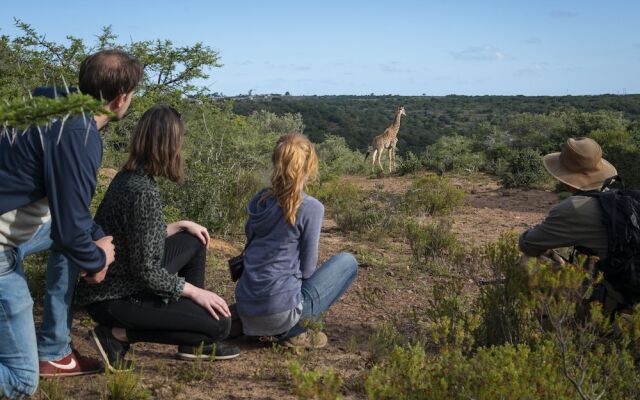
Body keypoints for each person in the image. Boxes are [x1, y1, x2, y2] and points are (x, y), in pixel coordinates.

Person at [0, 49, 142, 398]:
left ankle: (54, 350)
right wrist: (96, 260)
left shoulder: (51, 102)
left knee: (81, 240)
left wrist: (94, 242)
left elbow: (69, 219)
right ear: (120, 99)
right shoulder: (78, 136)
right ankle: (42, 356)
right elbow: (69, 233)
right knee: (21, 381)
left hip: (14, 224)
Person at [76, 105, 239, 372]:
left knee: (192, 240)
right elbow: (147, 272)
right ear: (169, 144)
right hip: (114, 298)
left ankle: (190, 340)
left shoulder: (130, 177)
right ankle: (115, 335)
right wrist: (195, 292)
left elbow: (136, 237)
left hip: (119, 280)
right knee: (220, 325)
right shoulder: (142, 191)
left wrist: (178, 225)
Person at [235, 133, 358, 348]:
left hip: (246, 308)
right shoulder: (311, 207)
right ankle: (291, 331)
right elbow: (308, 270)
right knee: (348, 262)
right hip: (280, 312)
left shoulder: (258, 201)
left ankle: (262, 325)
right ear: (309, 166)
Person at [519, 137, 625, 310]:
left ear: (566, 179)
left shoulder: (574, 208)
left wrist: (538, 240)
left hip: (616, 297)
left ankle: (557, 326)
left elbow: (528, 245)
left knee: (529, 261)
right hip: (628, 284)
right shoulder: (620, 199)